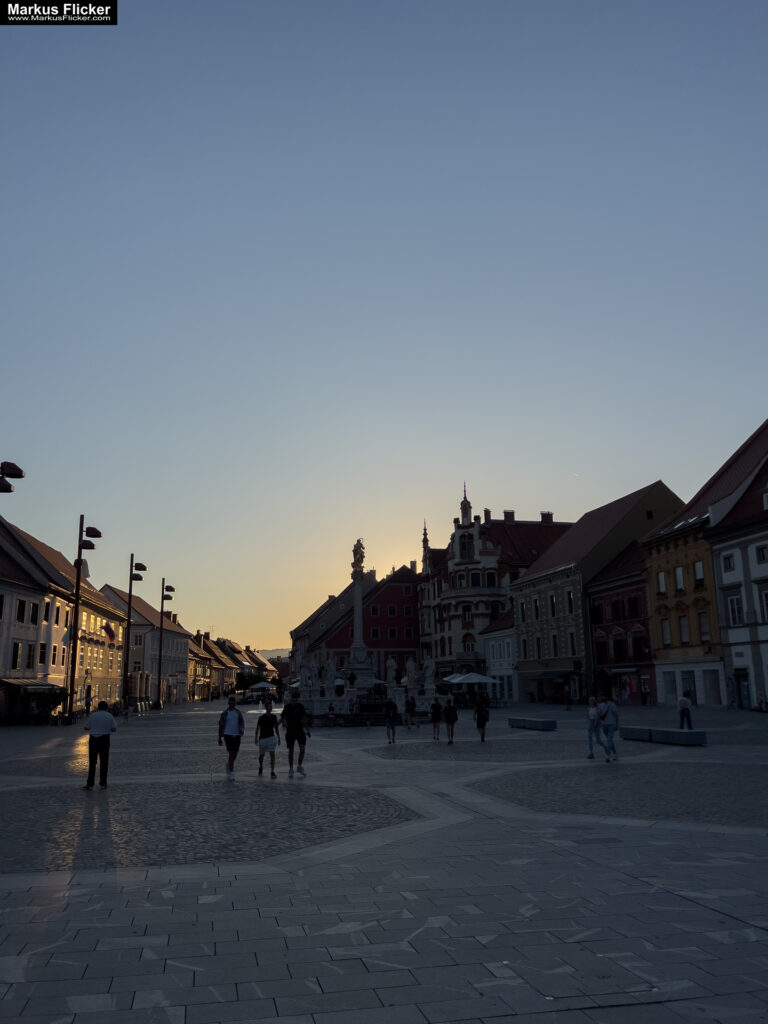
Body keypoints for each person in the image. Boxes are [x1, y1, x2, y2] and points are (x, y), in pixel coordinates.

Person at [83, 700, 117, 790]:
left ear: (98, 707)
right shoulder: (109, 716)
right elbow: (114, 729)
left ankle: (90, 783)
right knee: (104, 762)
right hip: (104, 739)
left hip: (93, 739)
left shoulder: (93, 715)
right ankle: (103, 783)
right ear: (106, 707)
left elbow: (86, 727)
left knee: (92, 762)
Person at [281, 691, 311, 778]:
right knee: (291, 751)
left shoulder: (300, 706)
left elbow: (304, 718)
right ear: (291, 699)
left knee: (302, 749)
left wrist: (307, 730)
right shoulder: (287, 707)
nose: (295, 701)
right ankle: (291, 769)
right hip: (290, 731)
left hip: (299, 730)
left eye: (296, 699)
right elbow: (283, 716)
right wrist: (284, 723)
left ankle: (299, 766)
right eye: (294, 699)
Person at [218, 695, 245, 781]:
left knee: (235, 753)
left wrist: (241, 731)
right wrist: (219, 737)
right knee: (231, 752)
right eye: (231, 703)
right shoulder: (225, 713)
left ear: (235, 704)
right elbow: (221, 725)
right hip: (227, 734)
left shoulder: (238, 713)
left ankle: (229, 764)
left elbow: (242, 722)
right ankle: (232, 773)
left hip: (237, 735)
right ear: (228, 703)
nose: (232, 705)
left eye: (234, 704)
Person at [255, 698, 280, 778]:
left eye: (271, 706)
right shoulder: (261, 718)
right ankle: (261, 766)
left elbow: (276, 728)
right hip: (262, 738)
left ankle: (272, 771)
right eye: (269, 707)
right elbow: (257, 728)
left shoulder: (274, 717)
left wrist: (279, 737)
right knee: (262, 755)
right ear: (266, 708)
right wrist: (256, 738)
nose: (270, 708)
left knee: (272, 754)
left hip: (271, 737)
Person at [598, 692, 619, 763]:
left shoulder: (612, 704)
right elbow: (599, 715)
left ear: (606, 697)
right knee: (610, 740)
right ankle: (615, 754)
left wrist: (617, 724)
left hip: (611, 724)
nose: (601, 698)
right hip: (604, 725)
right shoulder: (600, 705)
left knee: (609, 740)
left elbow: (616, 715)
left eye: (602, 697)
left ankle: (608, 755)